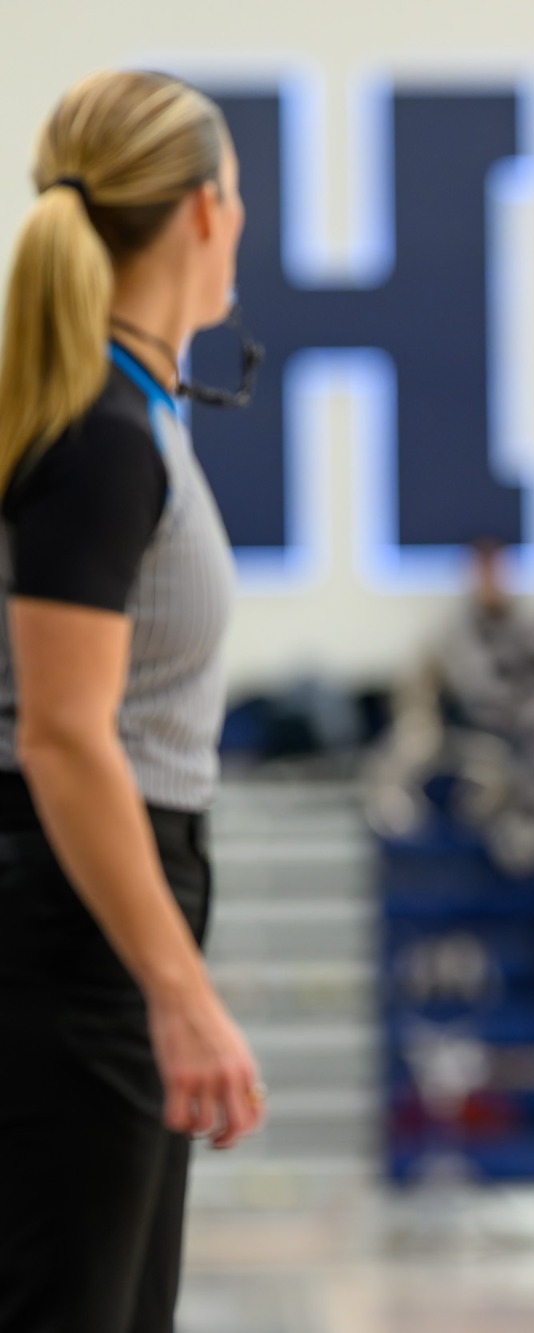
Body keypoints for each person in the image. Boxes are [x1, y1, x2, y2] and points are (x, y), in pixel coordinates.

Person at [0, 70, 266, 1332]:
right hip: (69, 910)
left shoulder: (131, 407)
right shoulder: (97, 428)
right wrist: (178, 988)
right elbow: (60, 733)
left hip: (102, 894)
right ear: (206, 212)